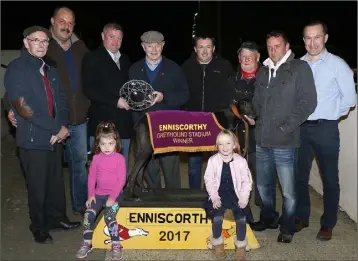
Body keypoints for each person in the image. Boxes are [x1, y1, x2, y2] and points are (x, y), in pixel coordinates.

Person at [7, 7, 90, 216]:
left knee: (72, 168)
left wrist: (65, 122)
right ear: (53, 21)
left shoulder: (80, 49)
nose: (66, 26)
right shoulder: (32, 55)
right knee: (41, 177)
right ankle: (41, 224)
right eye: (62, 21)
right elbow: (15, 92)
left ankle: (75, 208)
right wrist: (10, 108)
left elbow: (78, 87)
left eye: (71, 23)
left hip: (75, 119)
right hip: (44, 126)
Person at [4, 26, 80, 244]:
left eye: (45, 41)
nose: (41, 44)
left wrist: (62, 127)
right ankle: (38, 226)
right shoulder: (17, 68)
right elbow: (22, 106)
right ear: (26, 43)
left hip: (54, 136)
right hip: (33, 138)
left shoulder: (50, 68)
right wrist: (55, 128)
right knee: (38, 186)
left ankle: (57, 218)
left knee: (55, 182)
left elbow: (62, 101)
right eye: (35, 40)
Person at [247, 30, 317, 243]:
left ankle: (287, 226)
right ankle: (268, 218)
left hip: (285, 142)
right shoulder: (263, 70)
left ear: (287, 47)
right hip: (262, 139)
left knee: (288, 190)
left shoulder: (299, 69)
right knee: (263, 187)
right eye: (269, 46)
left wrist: (287, 128)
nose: (273, 50)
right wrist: (253, 115)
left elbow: (308, 103)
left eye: (277, 46)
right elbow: (258, 101)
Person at [295, 21, 356, 241]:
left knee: (330, 178)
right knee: (299, 176)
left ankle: (328, 223)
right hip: (301, 129)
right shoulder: (297, 65)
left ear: (325, 38)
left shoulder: (338, 65)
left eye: (317, 37)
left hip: (326, 129)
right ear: (303, 41)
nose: (312, 42)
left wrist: (329, 115)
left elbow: (349, 100)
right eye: (308, 38)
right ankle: (302, 216)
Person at [129, 30, 189, 188]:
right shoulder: (134, 69)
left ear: (163, 46)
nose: (154, 50)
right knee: (150, 169)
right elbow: (131, 100)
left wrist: (165, 97)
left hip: (168, 127)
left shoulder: (174, 68)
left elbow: (185, 95)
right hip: (144, 128)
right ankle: (154, 204)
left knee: (171, 171)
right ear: (143, 47)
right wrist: (137, 125)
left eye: (157, 46)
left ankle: (174, 205)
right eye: (150, 46)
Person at [181, 33, 234, 189]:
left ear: (214, 48)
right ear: (195, 49)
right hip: (193, 123)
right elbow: (181, 93)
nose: (204, 51)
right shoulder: (186, 67)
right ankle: (194, 196)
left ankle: (214, 195)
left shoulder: (225, 67)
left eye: (208, 47)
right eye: (201, 47)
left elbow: (231, 94)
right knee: (193, 164)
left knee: (216, 163)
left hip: (216, 123)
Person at [82, 22, 132, 174]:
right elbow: (89, 89)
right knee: (101, 171)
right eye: (111, 37)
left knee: (121, 169)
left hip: (124, 126)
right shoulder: (92, 58)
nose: (115, 41)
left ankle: (119, 197)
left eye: (119, 38)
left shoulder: (126, 60)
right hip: (102, 124)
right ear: (103, 36)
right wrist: (116, 101)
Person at [75, 121, 126, 260]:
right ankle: (87, 243)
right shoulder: (96, 159)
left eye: (110, 143)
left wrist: (112, 198)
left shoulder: (120, 159)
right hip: (98, 194)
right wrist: (91, 195)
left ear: (116, 143)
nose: (107, 147)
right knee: (88, 215)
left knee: (109, 216)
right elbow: (91, 178)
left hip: (115, 195)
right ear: (98, 144)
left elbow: (121, 180)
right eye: (103, 144)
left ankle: (116, 244)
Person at [204, 130, 252, 261]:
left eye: (228, 143)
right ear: (216, 145)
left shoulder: (241, 161)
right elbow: (209, 179)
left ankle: (241, 246)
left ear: (234, 144)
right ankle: (217, 244)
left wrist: (243, 198)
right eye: (220, 144)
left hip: (235, 195)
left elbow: (246, 182)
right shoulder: (212, 160)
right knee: (217, 217)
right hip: (219, 195)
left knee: (241, 219)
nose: (224, 147)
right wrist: (213, 196)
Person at [229, 41, 262, 207]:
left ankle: (263, 208)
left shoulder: (266, 78)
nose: (247, 59)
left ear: (258, 57)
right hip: (237, 133)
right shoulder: (231, 79)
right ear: (239, 58)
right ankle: (241, 207)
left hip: (260, 135)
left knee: (260, 174)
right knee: (238, 174)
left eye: (251, 56)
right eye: (243, 56)